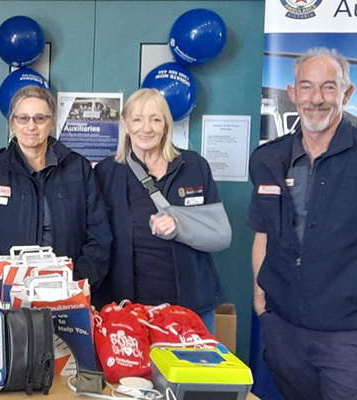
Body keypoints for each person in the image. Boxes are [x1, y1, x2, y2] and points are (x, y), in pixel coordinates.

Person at [249, 47, 357, 400]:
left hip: (346, 334)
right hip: (283, 328)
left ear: (347, 92)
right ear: (292, 93)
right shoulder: (268, 158)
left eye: (329, 87)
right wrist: (260, 299)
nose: (316, 99)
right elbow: (263, 234)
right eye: (306, 87)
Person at [93, 88, 229, 332]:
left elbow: (221, 236)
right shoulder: (106, 173)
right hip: (129, 311)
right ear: (124, 123)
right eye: (137, 119)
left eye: (156, 119)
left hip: (192, 308)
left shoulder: (194, 166)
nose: (147, 128)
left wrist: (180, 225)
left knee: (193, 372)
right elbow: (95, 238)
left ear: (166, 125)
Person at [0, 85, 111, 286]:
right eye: (22, 118)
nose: (31, 126)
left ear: (52, 122)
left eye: (39, 118)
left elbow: (99, 235)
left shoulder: (78, 169)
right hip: (9, 291)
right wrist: (5, 282)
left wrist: (76, 282)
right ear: (12, 123)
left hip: (67, 290)